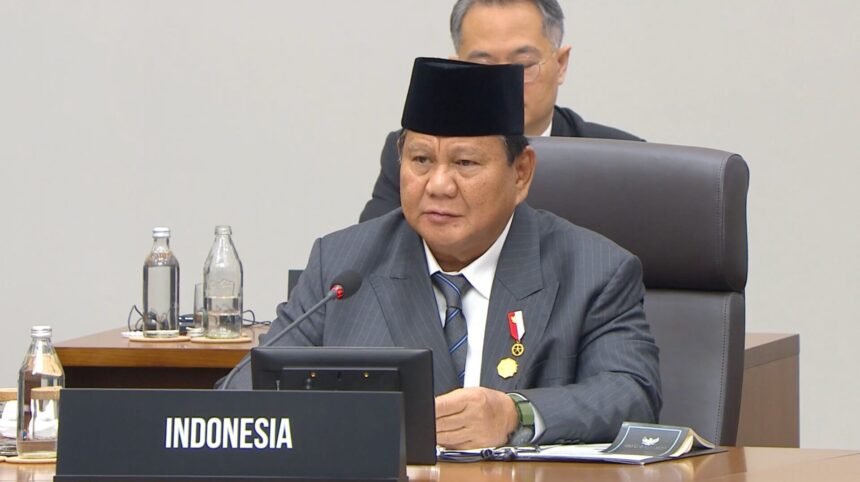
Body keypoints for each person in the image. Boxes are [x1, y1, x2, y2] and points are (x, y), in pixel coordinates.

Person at [226, 57, 661, 449]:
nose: (437, 185)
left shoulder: (594, 271)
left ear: (521, 173)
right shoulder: (342, 265)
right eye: (420, 160)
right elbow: (240, 393)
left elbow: (632, 393)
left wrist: (515, 414)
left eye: (465, 163)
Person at [359, 0, 641, 222]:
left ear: (561, 64)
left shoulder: (623, 162)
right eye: (483, 67)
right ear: (456, 71)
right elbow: (372, 257)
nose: (504, 86)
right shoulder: (418, 155)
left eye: (523, 66)